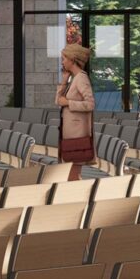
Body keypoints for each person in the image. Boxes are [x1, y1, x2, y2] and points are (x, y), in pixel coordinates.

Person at [56, 43, 96, 180]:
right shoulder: (73, 79)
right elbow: (58, 101)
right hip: (70, 133)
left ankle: (80, 193)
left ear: (72, 59)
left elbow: (90, 104)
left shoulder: (81, 78)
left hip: (78, 134)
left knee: (73, 174)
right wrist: (64, 81)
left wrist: (69, 103)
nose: (62, 62)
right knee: (71, 174)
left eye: (64, 59)